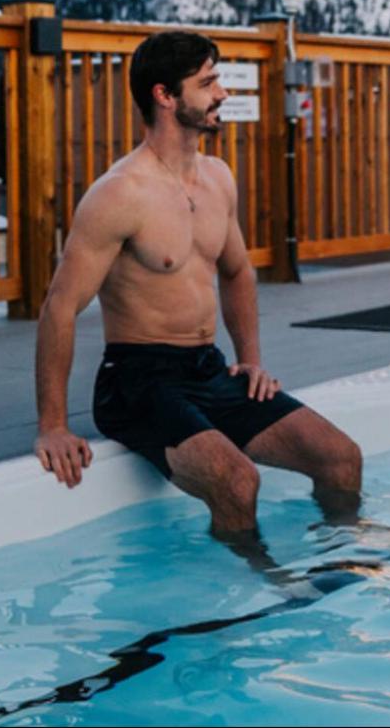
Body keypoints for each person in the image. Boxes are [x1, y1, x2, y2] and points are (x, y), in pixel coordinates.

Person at [32, 29, 363, 542]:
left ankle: (339, 563)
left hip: (208, 369)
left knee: (341, 458)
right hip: (138, 382)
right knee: (237, 482)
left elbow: (237, 271)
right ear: (165, 96)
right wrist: (53, 425)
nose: (221, 94)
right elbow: (60, 307)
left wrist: (251, 360)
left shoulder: (217, 178)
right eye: (207, 84)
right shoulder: (119, 194)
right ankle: (249, 585)